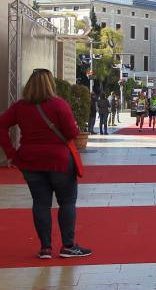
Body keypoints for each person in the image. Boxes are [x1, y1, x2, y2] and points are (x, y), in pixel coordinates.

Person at [0, 69, 92, 259]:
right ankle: (68, 246)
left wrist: (11, 153)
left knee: (40, 203)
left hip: (30, 161)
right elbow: (72, 133)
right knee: (67, 202)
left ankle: (45, 248)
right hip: (59, 161)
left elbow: (1, 125)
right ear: (51, 84)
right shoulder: (59, 105)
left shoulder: (20, 107)